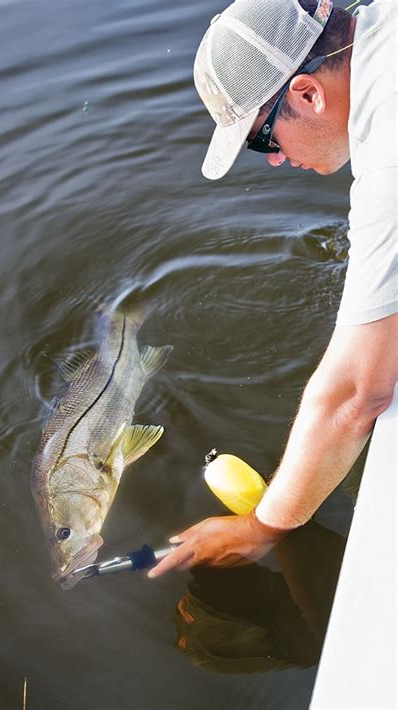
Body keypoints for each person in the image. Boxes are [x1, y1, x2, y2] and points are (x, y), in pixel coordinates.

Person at [149, 0, 397, 578]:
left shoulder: (388, 163)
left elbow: (356, 394)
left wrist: (264, 525)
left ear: (308, 94)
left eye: (264, 139)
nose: (277, 160)